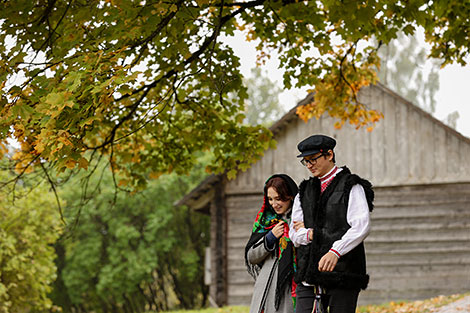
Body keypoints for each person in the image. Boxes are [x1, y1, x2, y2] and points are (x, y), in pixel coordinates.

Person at [289, 134, 374, 313]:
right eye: (305, 161)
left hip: (343, 272)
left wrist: (335, 250)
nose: (310, 165)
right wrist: (310, 234)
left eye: (313, 159)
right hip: (309, 274)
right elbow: (294, 234)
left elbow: (360, 226)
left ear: (329, 154)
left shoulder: (351, 186)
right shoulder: (303, 191)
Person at [245, 174, 299, 313]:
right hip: (264, 290)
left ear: (291, 196)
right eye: (270, 199)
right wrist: (270, 238)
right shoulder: (265, 222)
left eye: (278, 198)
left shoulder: (301, 220)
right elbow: (251, 257)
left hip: (290, 288)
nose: (274, 204)